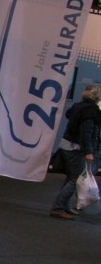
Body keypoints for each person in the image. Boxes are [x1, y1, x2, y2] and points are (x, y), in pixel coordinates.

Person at [50, 85, 101, 219]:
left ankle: (64, 207)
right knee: (75, 179)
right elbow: (86, 133)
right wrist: (89, 152)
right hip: (75, 148)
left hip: (68, 145)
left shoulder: (78, 106)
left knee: (71, 177)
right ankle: (58, 208)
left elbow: (69, 116)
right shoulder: (91, 112)